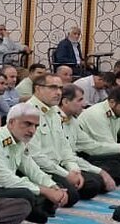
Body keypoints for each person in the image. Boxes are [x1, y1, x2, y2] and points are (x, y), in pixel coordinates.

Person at [0, 103, 69, 224]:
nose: (32, 130)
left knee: (58, 188)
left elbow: (32, 169)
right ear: (11, 122)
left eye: (36, 126)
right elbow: (5, 179)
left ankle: (33, 209)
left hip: (9, 186)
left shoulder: (20, 140)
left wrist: (52, 186)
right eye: (28, 124)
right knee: (26, 194)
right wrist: (44, 191)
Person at [25, 74, 101, 205]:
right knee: (72, 196)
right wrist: (65, 174)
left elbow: (65, 147)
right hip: (40, 168)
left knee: (94, 183)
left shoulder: (55, 111)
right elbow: (36, 156)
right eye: (53, 87)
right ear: (38, 89)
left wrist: (74, 170)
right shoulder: (28, 112)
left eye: (60, 88)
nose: (58, 92)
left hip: (58, 165)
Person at [59, 84, 116, 194]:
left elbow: (91, 146)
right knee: (93, 184)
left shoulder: (73, 121)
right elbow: (65, 156)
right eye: (80, 100)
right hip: (61, 165)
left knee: (114, 165)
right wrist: (100, 172)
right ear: (65, 102)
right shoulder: (55, 120)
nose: (84, 104)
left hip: (74, 161)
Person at [74, 86, 120, 182]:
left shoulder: (116, 111)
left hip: (103, 149)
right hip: (89, 154)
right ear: (112, 102)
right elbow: (104, 147)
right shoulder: (96, 114)